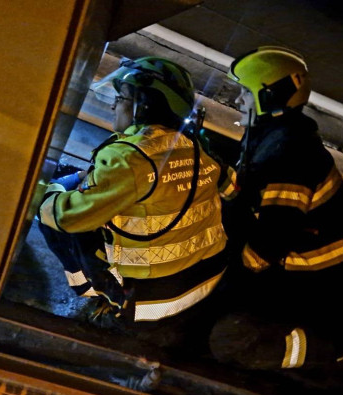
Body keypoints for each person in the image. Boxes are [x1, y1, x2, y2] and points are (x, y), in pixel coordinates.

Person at [38, 56, 238, 348]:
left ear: (141, 107)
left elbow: (69, 217)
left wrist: (52, 190)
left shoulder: (126, 157)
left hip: (150, 303)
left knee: (55, 216)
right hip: (207, 280)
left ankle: (99, 297)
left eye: (120, 98)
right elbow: (231, 189)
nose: (112, 106)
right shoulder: (196, 147)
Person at [208, 46, 343, 371]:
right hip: (298, 262)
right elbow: (250, 193)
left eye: (245, 94)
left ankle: (325, 351)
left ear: (268, 98)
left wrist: (227, 281)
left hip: (310, 283)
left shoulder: (289, 154)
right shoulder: (274, 135)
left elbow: (269, 244)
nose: (238, 102)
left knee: (226, 340)